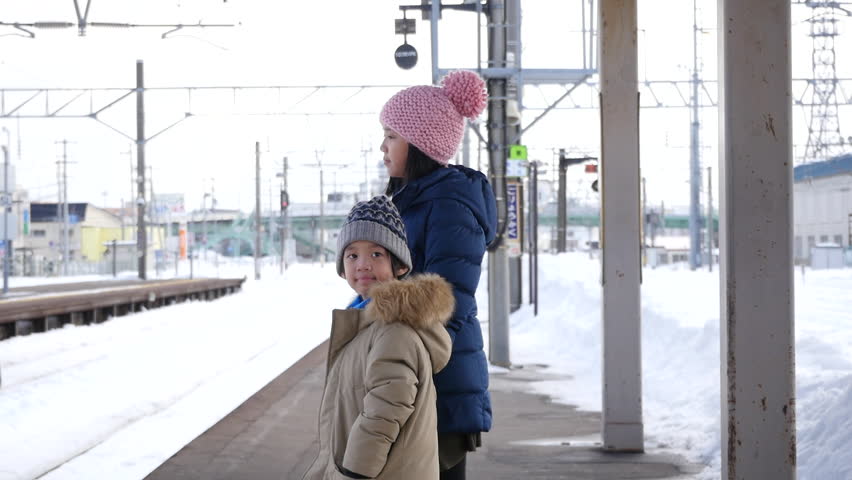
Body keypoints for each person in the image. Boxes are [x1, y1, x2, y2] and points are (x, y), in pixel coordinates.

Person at [379, 70, 497, 479]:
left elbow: (449, 300)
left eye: (391, 135)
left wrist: (381, 302)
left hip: (441, 380)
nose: (382, 147)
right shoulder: (414, 200)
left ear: (420, 142)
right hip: (420, 374)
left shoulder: (448, 205)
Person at [302, 195, 455, 480]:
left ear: (399, 266)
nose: (362, 264)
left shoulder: (393, 329)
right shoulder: (365, 322)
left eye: (376, 254)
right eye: (352, 255)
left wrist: (354, 472)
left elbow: (385, 411)